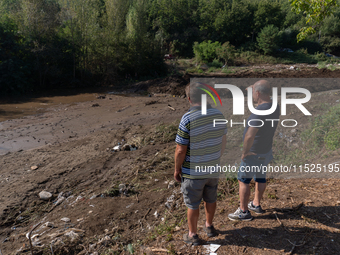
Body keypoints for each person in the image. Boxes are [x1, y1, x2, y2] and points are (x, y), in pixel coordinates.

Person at [174, 83, 227, 245]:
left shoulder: (187, 119)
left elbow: (180, 150)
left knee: (193, 203)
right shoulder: (219, 114)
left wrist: (177, 169)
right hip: (212, 168)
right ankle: (209, 227)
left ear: (189, 99)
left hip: (193, 172)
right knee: (210, 199)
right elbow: (223, 141)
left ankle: (192, 235)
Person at [228, 80, 280, 221]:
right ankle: (256, 204)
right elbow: (264, 92)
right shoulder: (275, 106)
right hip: (265, 151)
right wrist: (254, 88)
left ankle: (243, 212)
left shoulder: (259, 112)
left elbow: (250, 135)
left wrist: (245, 152)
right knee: (260, 177)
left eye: (252, 92)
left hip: (253, 152)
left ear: (257, 93)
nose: (251, 95)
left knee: (243, 180)